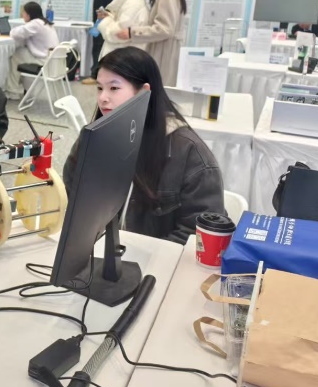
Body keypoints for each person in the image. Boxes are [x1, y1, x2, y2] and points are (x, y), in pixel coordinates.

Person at [81, 46, 224, 244]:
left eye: (114, 88)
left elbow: (199, 235)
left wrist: (145, 254)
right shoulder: (94, 139)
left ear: (144, 92)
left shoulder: (189, 153)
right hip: (99, 252)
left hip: (159, 259)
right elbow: (75, 204)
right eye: (99, 88)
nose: (102, 98)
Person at [116, 0, 186, 87]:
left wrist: (132, 32)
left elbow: (164, 29)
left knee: (158, 91)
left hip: (163, 53)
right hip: (168, 52)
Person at [5, 1, 59, 98]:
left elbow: (15, 33)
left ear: (29, 14)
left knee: (16, 56)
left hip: (44, 61)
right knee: (21, 52)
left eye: (24, 12)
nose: (22, 14)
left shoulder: (35, 24)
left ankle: (13, 91)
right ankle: (19, 86)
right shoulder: (45, 23)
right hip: (54, 61)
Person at [82, 0, 116, 84]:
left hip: (103, 21)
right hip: (99, 21)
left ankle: (95, 75)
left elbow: (109, 4)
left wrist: (103, 18)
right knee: (97, 48)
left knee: (98, 48)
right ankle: (96, 73)